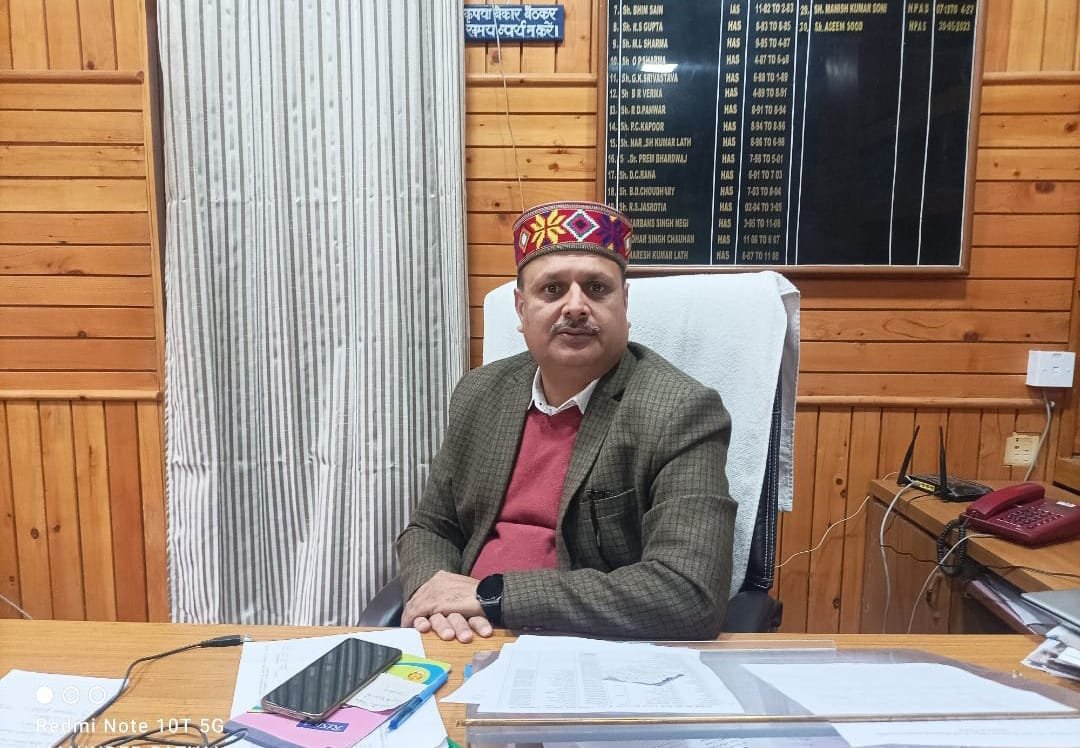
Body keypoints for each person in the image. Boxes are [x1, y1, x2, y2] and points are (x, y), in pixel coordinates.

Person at [396, 200, 736, 642]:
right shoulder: (479, 393)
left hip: (585, 647)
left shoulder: (681, 411)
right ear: (521, 309)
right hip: (459, 634)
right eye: (552, 290)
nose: (575, 307)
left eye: (596, 288)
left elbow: (689, 593)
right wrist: (435, 599)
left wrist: (493, 596)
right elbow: (431, 528)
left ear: (624, 303)